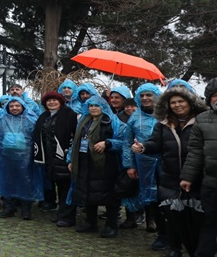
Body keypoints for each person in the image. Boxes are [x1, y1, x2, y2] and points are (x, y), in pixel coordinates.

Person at [132, 82, 206, 257]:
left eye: (181, 101)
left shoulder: (202, 121)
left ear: (190, 102)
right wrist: (143, 148)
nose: (177, 105)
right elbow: (155, 144)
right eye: (173, 102)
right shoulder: (163, 124)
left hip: (196, 179)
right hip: (170, 178)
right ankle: (175, 249)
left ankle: (198, 254)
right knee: (172, 216)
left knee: (195, 217)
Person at [68, 96, 126, 237]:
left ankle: (111, 226)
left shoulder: (111, 122)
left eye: (97, 105)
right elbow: (75, 142)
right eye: (91, 105)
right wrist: (70, 160)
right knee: (87, 193)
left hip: (105, 164)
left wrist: (107, 143)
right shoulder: (83, 122)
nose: (93, 108)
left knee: (109, 196)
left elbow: (124, 142)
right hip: (84, 162)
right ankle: (90, 223)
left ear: (103, 107)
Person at [179, 78, 217, 257]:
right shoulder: (202, 120)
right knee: (209, 222)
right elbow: (194, 152)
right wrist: (187, 176)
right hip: (211, 183)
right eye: (215, 95)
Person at [0, 97, 42, 220]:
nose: (14, 108)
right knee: (7, 182)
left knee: (26, 183)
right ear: (7, 107)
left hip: (26, 159)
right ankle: (8, 208)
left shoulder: (30, 120)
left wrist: (37, 158)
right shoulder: (2, 120)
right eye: (11, 106)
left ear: (23, 106)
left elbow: (38, 140)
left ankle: (26, 210)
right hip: (5, 159)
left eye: (17, 106)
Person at [122, 83, 163, 237]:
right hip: (142, 163)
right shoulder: (135, 117)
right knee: (146, 193)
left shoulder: (165, 115)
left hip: (164, 163)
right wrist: (129, 165)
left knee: (162, 195)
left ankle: (162, 228)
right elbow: (127, 143)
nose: (145, 98)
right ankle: (151, 221)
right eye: (142, 95)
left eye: (149, 95)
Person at [33, 91, 77, 226]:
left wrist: (69, 156)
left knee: (66, 188)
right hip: (50, 158)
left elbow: (74, 135)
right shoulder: (44, 116)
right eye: (48, 100)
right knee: (59, 186)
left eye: (54, 100)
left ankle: (68, 217)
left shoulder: (69, 114)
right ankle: (61, 213)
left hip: (64, 157)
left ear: (61, 101)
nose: (51, 102)